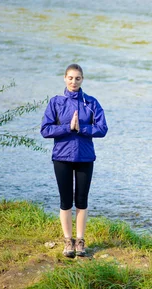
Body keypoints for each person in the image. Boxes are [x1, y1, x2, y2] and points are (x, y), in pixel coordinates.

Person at [41, 64, 108, 257]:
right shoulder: (56, 102)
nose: (73, 81)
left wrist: (82, 128)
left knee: (81, 200)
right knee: (65, 201)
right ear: (64, 78)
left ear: (82, 80)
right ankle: (67, 241)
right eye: (70, 78)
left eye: (77, 78)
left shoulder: (91, 102)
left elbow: (103, 129)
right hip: (61, 157)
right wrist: (68, 128)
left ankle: (80, 241)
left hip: (85, 157)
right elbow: (45, 130)